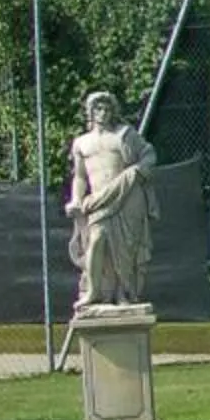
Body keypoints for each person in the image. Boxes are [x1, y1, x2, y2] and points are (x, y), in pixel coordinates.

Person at [65, 90, 156, 312]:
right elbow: (80, 176)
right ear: (90, 112)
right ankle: (94, 292)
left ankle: (123, 294)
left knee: (125, 248)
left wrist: (138, 170)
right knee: (96, 241)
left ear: (113, 111)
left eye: (107, 108)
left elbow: (149, 154)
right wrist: (76, 198)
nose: (103, 112)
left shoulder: (125, 134)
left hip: (127, 199)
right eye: (98, 108)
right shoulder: (81, 143)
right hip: (99, 201)